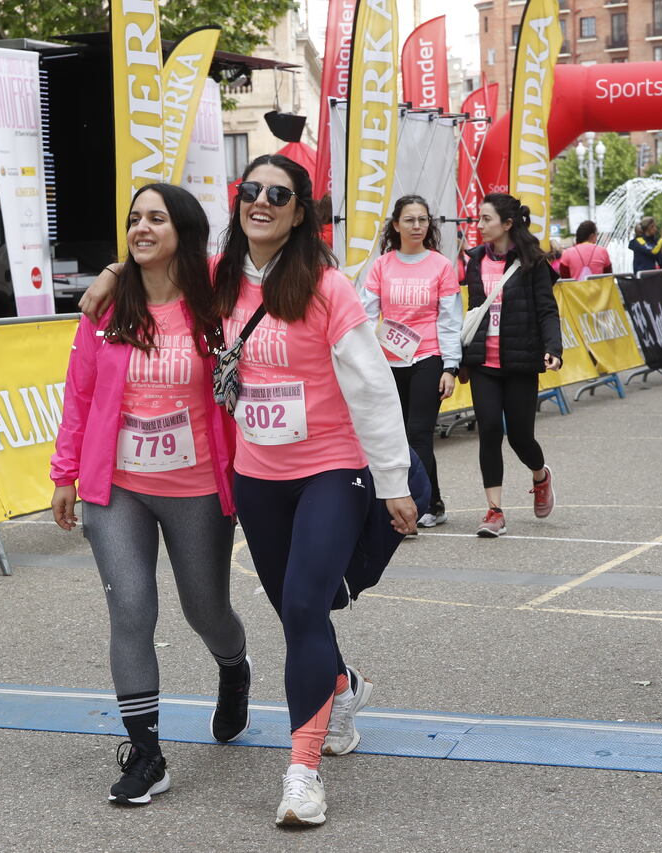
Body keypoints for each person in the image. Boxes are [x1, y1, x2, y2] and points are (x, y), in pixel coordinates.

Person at [214, 155, 416, 827]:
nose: (262, 202)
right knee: (294, 613)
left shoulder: (328, 288)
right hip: (257, 475)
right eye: (251, 190)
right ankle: (342, 685)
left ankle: (302, 773)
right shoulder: (216, 281)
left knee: (304, 605)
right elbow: (147, 272)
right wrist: (109, 278)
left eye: (279, 195)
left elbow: (373, 387)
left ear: (300, 212)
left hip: (332, 467)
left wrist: (393, 481)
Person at [50, 183, 251, 806]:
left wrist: (112, 269)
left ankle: (233, 667)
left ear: (183, 232)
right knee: (132, 612)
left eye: (156, 219)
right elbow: (80, 393)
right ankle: (146, 754)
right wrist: (64, 474)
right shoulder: (107, 310)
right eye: (134, 219)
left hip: (198, 486)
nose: (141, 228)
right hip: (118, 488)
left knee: (205, 611)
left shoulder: (215, 298)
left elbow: (247, 259)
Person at [461, 193, 563, 538]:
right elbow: (471, 310)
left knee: (520, 437)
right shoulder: (475, 260)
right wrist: (459, 360)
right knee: (489, 430)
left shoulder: (532, 262)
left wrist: (553, 348)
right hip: (483, 363)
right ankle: (494, 511)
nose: (479, 225)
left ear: (507, 224)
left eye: (486, 219)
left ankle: (540, 476)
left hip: (521, 361)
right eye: (479, 218)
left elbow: (547, 310)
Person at [359, 194, 461, 528]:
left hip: (427, 358)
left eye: (422, 220)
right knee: (397, 436)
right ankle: (427, 501)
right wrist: (362, 360)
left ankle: (419, 505)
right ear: (396, 225)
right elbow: (365, 315)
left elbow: (449, 320)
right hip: (388, 362)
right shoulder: (382, 265)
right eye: (410, 220)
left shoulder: (441, 266)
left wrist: (450, 367)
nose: (417, 226)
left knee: (419, 433)